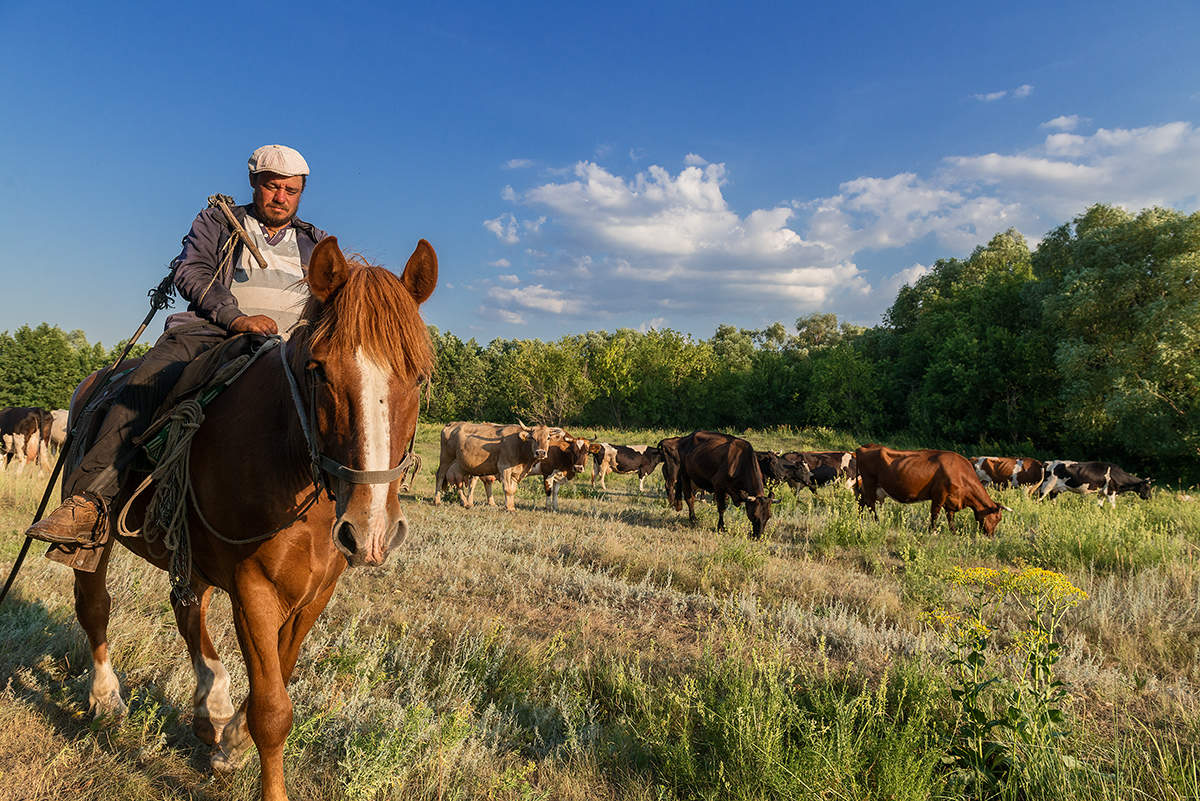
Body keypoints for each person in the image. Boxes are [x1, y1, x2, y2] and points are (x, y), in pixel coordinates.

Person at [27, 145, 329, 545]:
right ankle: (90, 502)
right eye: (272, 187)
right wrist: (236, 317)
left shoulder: (315, 242)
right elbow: (193, 270)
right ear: (254, 182)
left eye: (291, 190)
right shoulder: (219, 221)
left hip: (290, 348)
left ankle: (353, 504)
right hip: (213, 334)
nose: (281, 197)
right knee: (147, 380)